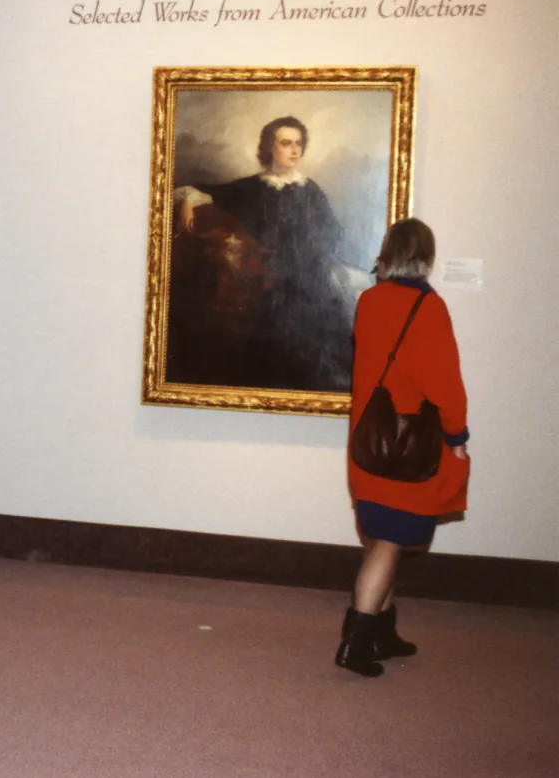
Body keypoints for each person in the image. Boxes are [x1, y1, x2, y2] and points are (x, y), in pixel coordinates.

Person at [336, 218, 470, 677]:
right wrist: (457, 437)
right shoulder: (428, 308)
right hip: (406, 451)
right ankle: (355, 644)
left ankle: (382, 633)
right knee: (390, 541)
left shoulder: (369, 301)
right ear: (426, 257)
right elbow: (445, 384)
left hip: (369, 443)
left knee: (379, 538)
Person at [170, 116, 355, 391]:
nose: (294, 150)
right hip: (267, 280)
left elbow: (333, 235)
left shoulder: (310, 189)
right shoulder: (252, 188)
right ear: (270, 147)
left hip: (310, 277)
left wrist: (314, 258)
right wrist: (187, 202)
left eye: (298, 143)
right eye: (285, 143)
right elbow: (199, 191)